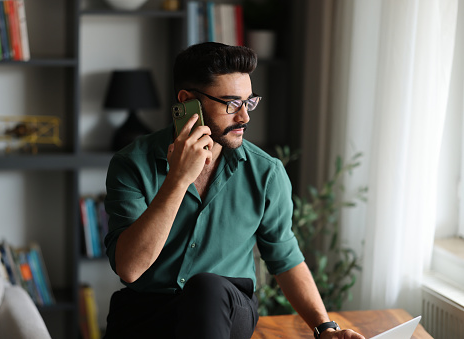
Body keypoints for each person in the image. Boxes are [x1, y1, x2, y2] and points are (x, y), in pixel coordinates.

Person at [103, 42, 365, 339]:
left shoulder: (266, 172)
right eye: (231, 104)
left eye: (248, 102)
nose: (244, 118)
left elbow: (285, 257)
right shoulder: (131, 164)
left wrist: (325, 328)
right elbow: (129, 268)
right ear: (187, 102)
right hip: (146, 314)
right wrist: (177, 180)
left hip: (227, 307)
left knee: (206, 288)